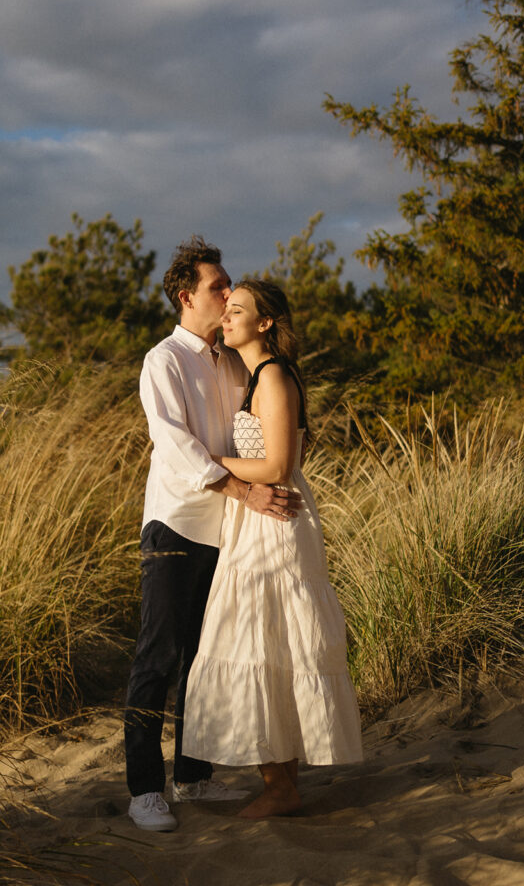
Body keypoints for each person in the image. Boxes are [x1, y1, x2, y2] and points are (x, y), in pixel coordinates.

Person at [124, 241, 302, 832]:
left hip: (230, 533)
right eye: (218, 287)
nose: (228, 295)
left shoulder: (231, 360)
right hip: (176, 523)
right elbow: (175, 445)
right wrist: (242, 489)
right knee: (159, 656)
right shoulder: (163, 360)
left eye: (231, 288)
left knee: (207, 656)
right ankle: (144, 789)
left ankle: (193, 776)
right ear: (186, 296)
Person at [183, 279, 363, 818]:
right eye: (227, 308)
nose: (227, 316)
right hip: (255, 518)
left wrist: (211, 462)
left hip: (277, 522)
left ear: (265, 323)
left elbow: (280, 467)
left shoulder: (275, 376)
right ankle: (278, 782)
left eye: (238, 310)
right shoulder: (252, 376)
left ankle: (282, 787)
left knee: (269, 642)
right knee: (261, 644)